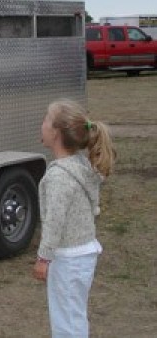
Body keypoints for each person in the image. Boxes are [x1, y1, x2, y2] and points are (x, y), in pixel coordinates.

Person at [33, 98, 115, 338]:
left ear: (56, 132)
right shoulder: (81, 164)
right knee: (74, 316)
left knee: (66, 324)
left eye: (46, 119)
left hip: (68, 259)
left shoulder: (59, 176)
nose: (42, 124)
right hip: (84, 254)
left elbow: (54, 222)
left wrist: (43, 259)